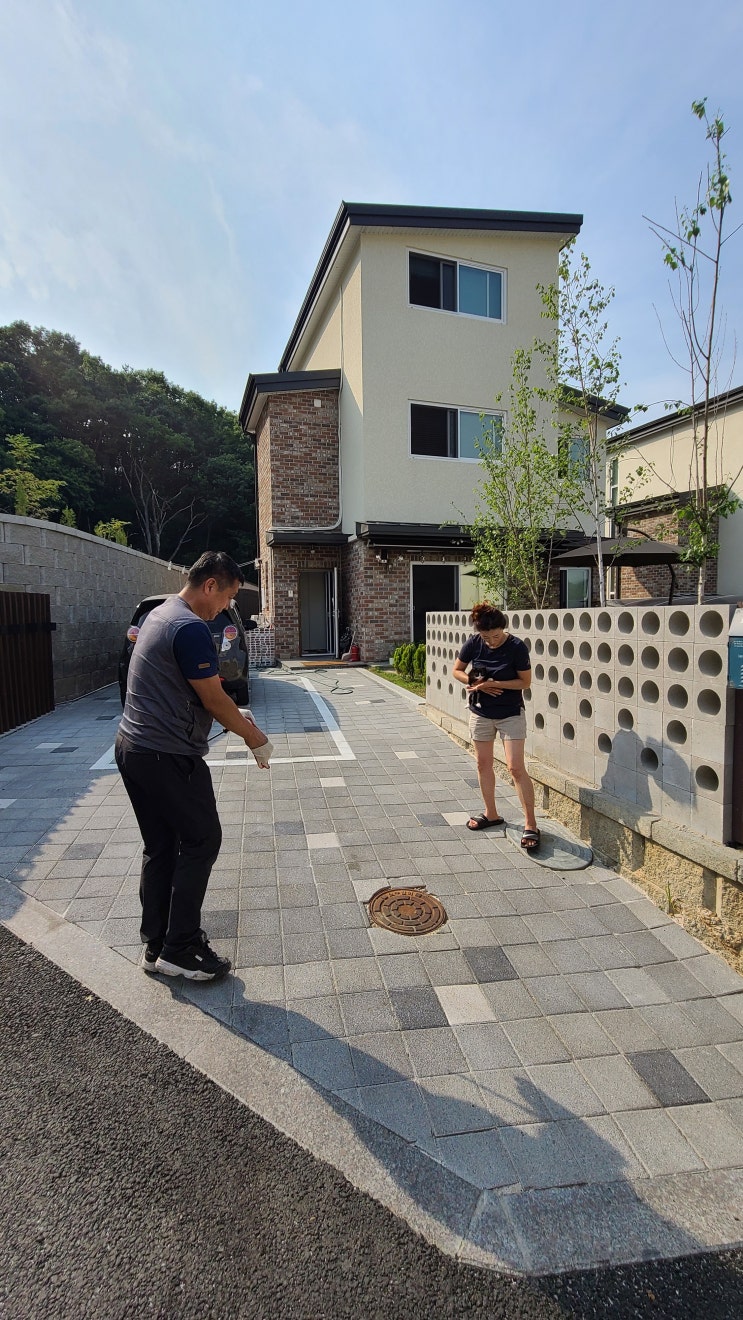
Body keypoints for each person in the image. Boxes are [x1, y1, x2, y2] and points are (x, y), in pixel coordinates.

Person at [115, 551, 274, 980]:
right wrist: (254, 737)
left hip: (133, 747)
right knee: (202, 840)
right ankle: (180, 948)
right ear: (210, 585)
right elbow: (214, 699)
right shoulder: (188, 627)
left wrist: (239, 719)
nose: (226, 607)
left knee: (162, 846)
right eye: (227, 598)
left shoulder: (162, 613)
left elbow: (200, 687)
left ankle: (156, 945)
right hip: (167, 756)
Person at [452, 603, 540, 850]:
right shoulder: (474, 643)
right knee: (483, 763)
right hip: (480, 712)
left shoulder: (516, 647)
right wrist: (474, 681)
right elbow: (456, 670)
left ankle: (531, 823)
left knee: (515, 768)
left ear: (504, 629)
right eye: (486, 637)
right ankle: (491, 813)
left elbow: (525, 682)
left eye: (496, 636)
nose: (491, 641)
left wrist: (492, 683)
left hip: (510, 713)